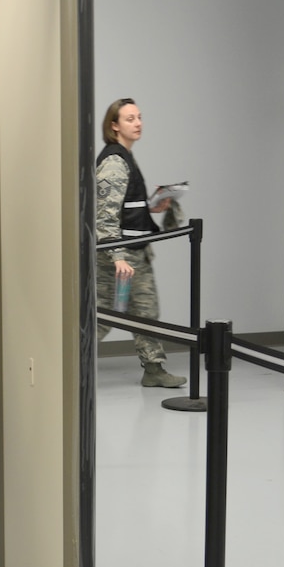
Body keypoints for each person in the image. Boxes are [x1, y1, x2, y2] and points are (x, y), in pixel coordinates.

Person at [94, 98, 185, 388]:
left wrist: (150, 207)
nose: (138, 123)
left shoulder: (126, 159)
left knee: (146, 311)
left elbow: (123, 207)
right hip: (118, 258)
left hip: (135, 254)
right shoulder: (114, 162)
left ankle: (154, 368)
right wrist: (116, 256)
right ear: (114, 125)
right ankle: (55, 367)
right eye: (130, 118)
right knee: (101, 318)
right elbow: (104, 215)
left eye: (139, 117)